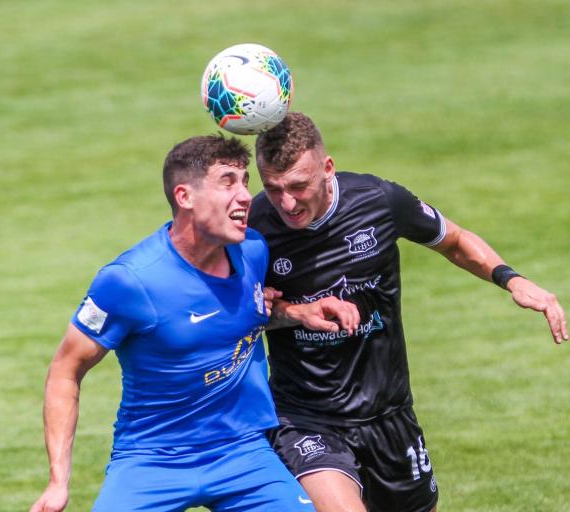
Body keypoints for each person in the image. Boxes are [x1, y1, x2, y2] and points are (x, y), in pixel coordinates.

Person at [248, 112, 568, 512]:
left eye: (298, 186)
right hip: (306, 418)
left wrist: (512, 279)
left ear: (327, 169)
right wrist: (296, 312)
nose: (287, 203)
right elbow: (243, 310)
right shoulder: (253, 225)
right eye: (273, 189)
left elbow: (454, 241)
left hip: (389, 413)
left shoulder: (378, 201)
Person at [29, 134, 358, 512]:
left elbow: (236, 317)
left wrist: (296, 313)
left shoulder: (252, 251)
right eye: (227, 182)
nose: (246, 196)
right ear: (185, 197)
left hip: (244, 453)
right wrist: (58, 482)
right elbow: (65, 369)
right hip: (151, 461)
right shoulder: (130, 280)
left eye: (245, 181)